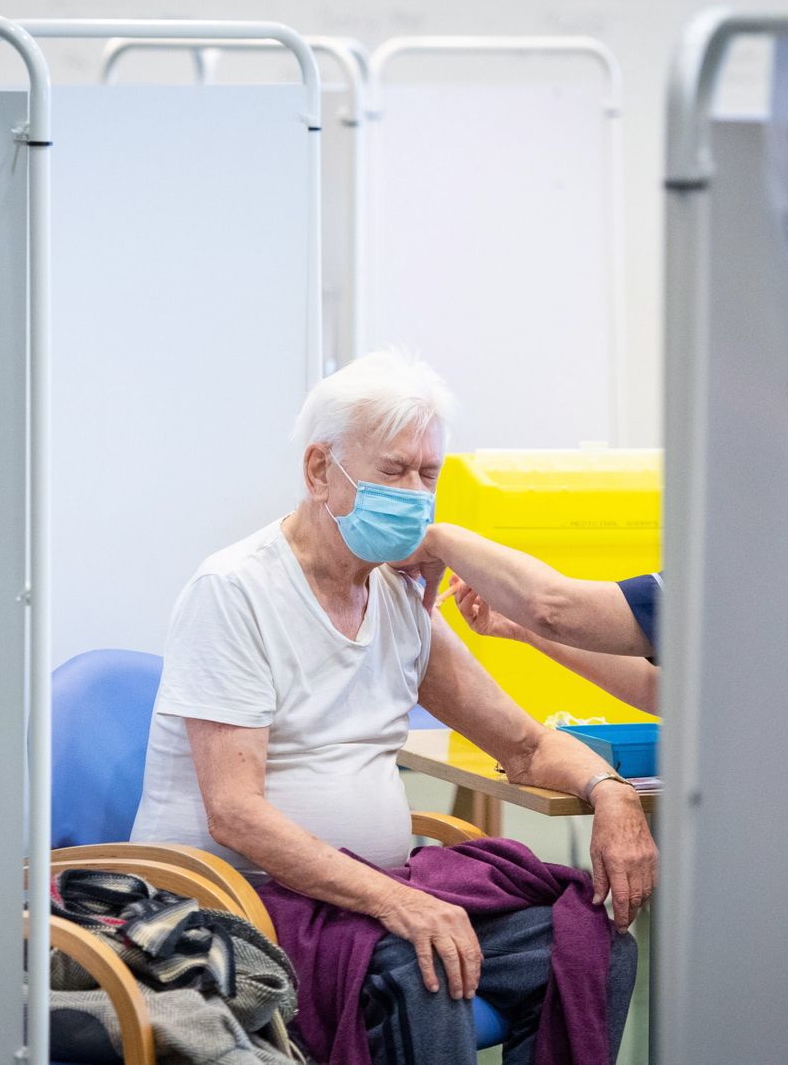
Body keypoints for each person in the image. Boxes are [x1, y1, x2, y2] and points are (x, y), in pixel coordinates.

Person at [131, 351, 653, 1065]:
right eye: (393, 471)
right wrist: (392, 900)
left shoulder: (401, 598)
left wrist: (610, 792)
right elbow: (236, 813)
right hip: (242, 901)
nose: (414, 493)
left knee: (589, 946)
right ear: (320, 472)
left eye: (427, 474)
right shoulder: (235, 591)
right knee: (427, 969)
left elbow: (526, 747)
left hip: (369, 899)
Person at [406, 524, 664, 712]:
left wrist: (438, 539)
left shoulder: (698, 587)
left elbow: (552, 608)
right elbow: (661, 691)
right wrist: (522, 625)